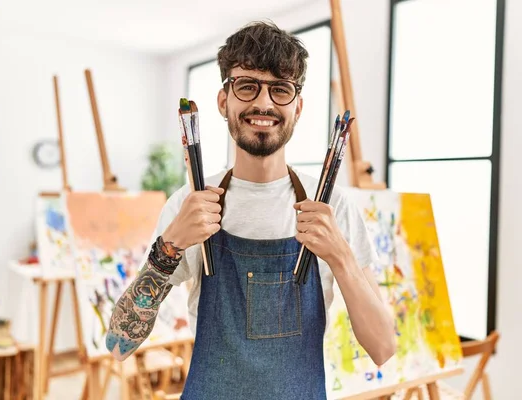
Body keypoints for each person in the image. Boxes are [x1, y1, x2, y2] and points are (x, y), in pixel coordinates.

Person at [106, 20, 396, 399]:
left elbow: (383, 348)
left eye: (281, 90)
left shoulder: (331, 206)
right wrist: (170, 246)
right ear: (224, 100)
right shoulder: (191, 201)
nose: (263, 103)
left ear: (298, 106)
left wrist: (341, 256)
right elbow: (118, 345)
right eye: (247, 86)